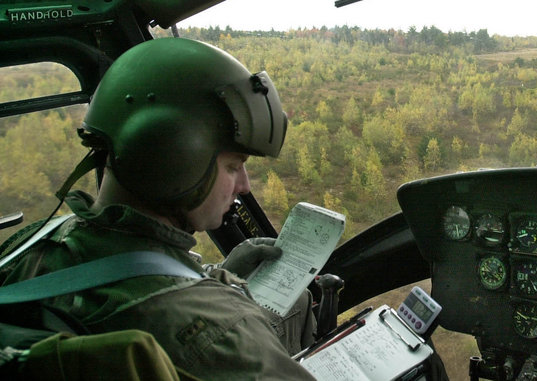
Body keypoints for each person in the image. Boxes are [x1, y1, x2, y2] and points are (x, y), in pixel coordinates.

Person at [0, 37, 317, 380]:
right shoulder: (224, 334)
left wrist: (213, 273)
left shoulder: (33, 242)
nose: (244, 185)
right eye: (232, 166)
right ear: (176, 159)